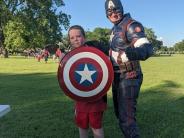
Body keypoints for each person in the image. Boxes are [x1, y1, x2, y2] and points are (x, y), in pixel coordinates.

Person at [105, 0, 153, 138]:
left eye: (116, 9)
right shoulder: (115, 29)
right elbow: (114, 50)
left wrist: (130, 54)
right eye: (109, 11)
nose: (113, 13)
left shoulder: (131, 25)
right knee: (120, 114)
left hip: (130, 75)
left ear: (121, 8)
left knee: (127, 119)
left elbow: (146, 48)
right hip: (117, 77)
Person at [68, 25, 107, 138]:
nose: (75, 39)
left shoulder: (94, 51)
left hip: (96, 97)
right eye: (72, 37)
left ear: (84, 38)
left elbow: (104, 69)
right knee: (82, 125)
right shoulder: (70, 56)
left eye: (78, 36)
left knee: (96, 126)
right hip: (80, 98)